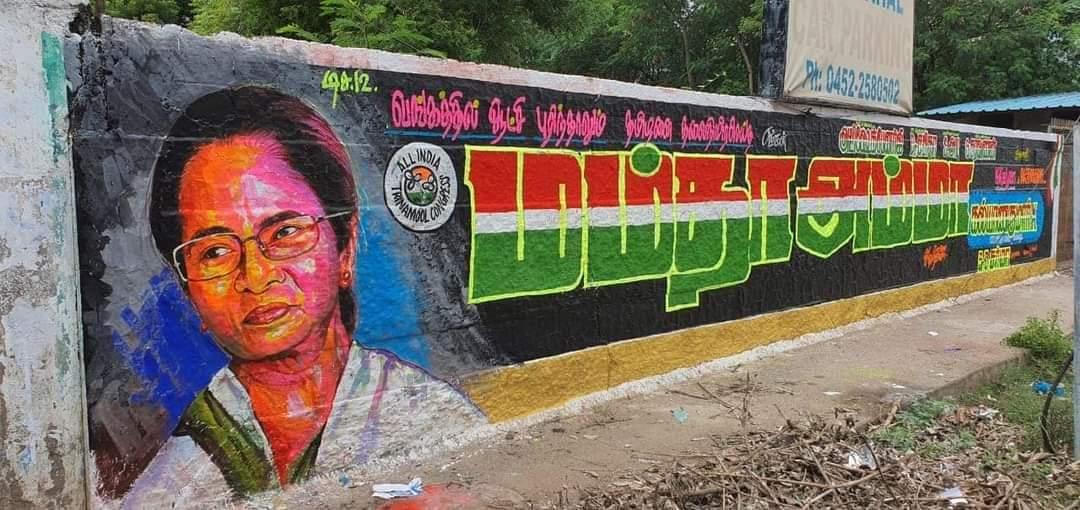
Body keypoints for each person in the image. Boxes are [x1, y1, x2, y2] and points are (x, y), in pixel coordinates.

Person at [119, 86, 485, 506]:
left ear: (345, 247)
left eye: (285, 232)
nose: (255, 277)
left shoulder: (433, 418)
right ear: (188, 288)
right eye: (215, 252)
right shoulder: (173, 483)